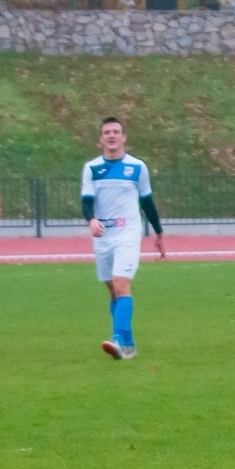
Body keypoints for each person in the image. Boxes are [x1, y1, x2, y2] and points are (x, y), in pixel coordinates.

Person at [81, 117, 166, 360]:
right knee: (112, 290)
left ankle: (118, 339)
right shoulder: (92, 168)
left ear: (124, 137)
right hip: (103, 237)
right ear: (100, 139)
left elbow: (147, 202)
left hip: (128, 235)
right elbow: (86, 203)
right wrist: (91, 220)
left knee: (121, 284)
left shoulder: (137, 168)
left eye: (116, 132)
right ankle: (128, 344)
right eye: (106, 132)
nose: (111, 136)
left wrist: (158, 232)